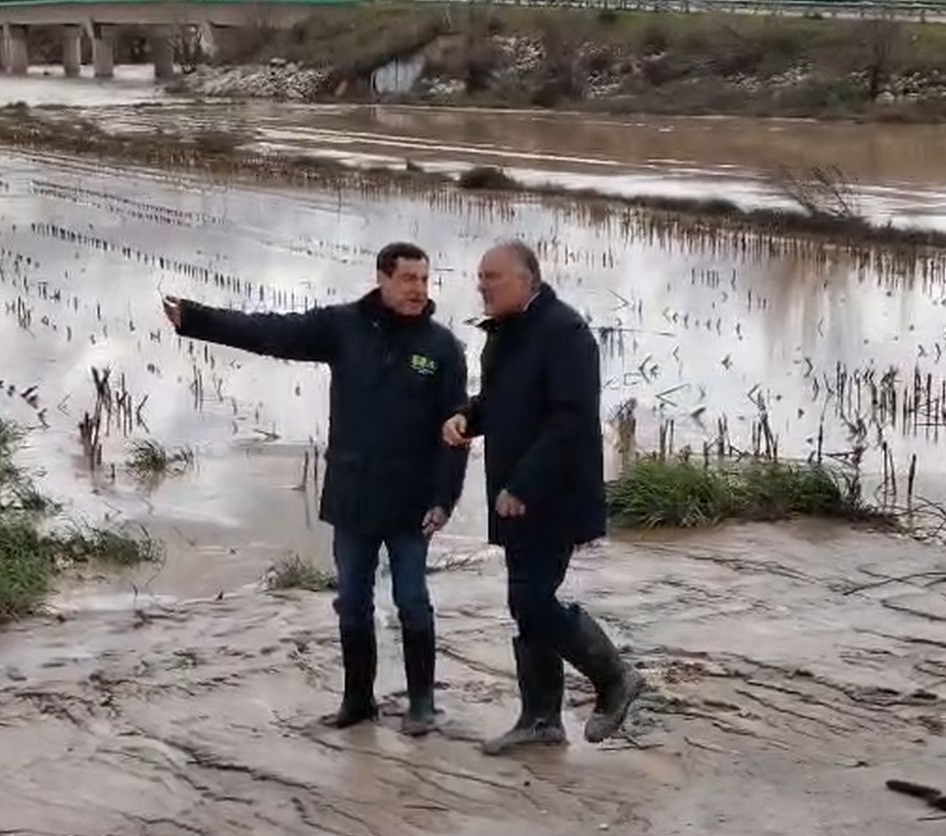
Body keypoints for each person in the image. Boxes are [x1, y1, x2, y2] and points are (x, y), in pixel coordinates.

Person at [163, 242, 467, 737]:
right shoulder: (343, 326)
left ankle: (422, 704)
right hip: (353, 493)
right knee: (352, 600)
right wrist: (198, 319)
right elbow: (271, 332)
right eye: (408, 279)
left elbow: (457, 430)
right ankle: (357, 700)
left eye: (424, 280)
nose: (418, 290)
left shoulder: (442, 348)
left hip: (412, 501)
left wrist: (444, 498)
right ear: (383, 278)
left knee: (412, 599)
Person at [441, 240, 646, 755]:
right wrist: (468, 416)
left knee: (531, 599)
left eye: (492, 276)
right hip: (517, 494)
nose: (482, 286)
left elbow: (570, 421)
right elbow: (502, 400)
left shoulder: (565, 333)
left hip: (553, 495)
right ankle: (541, 720)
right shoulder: (506, 332)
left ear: (527, 279)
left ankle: (615, 676)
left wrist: (523, 486)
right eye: (480, 277)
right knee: (526, 601)